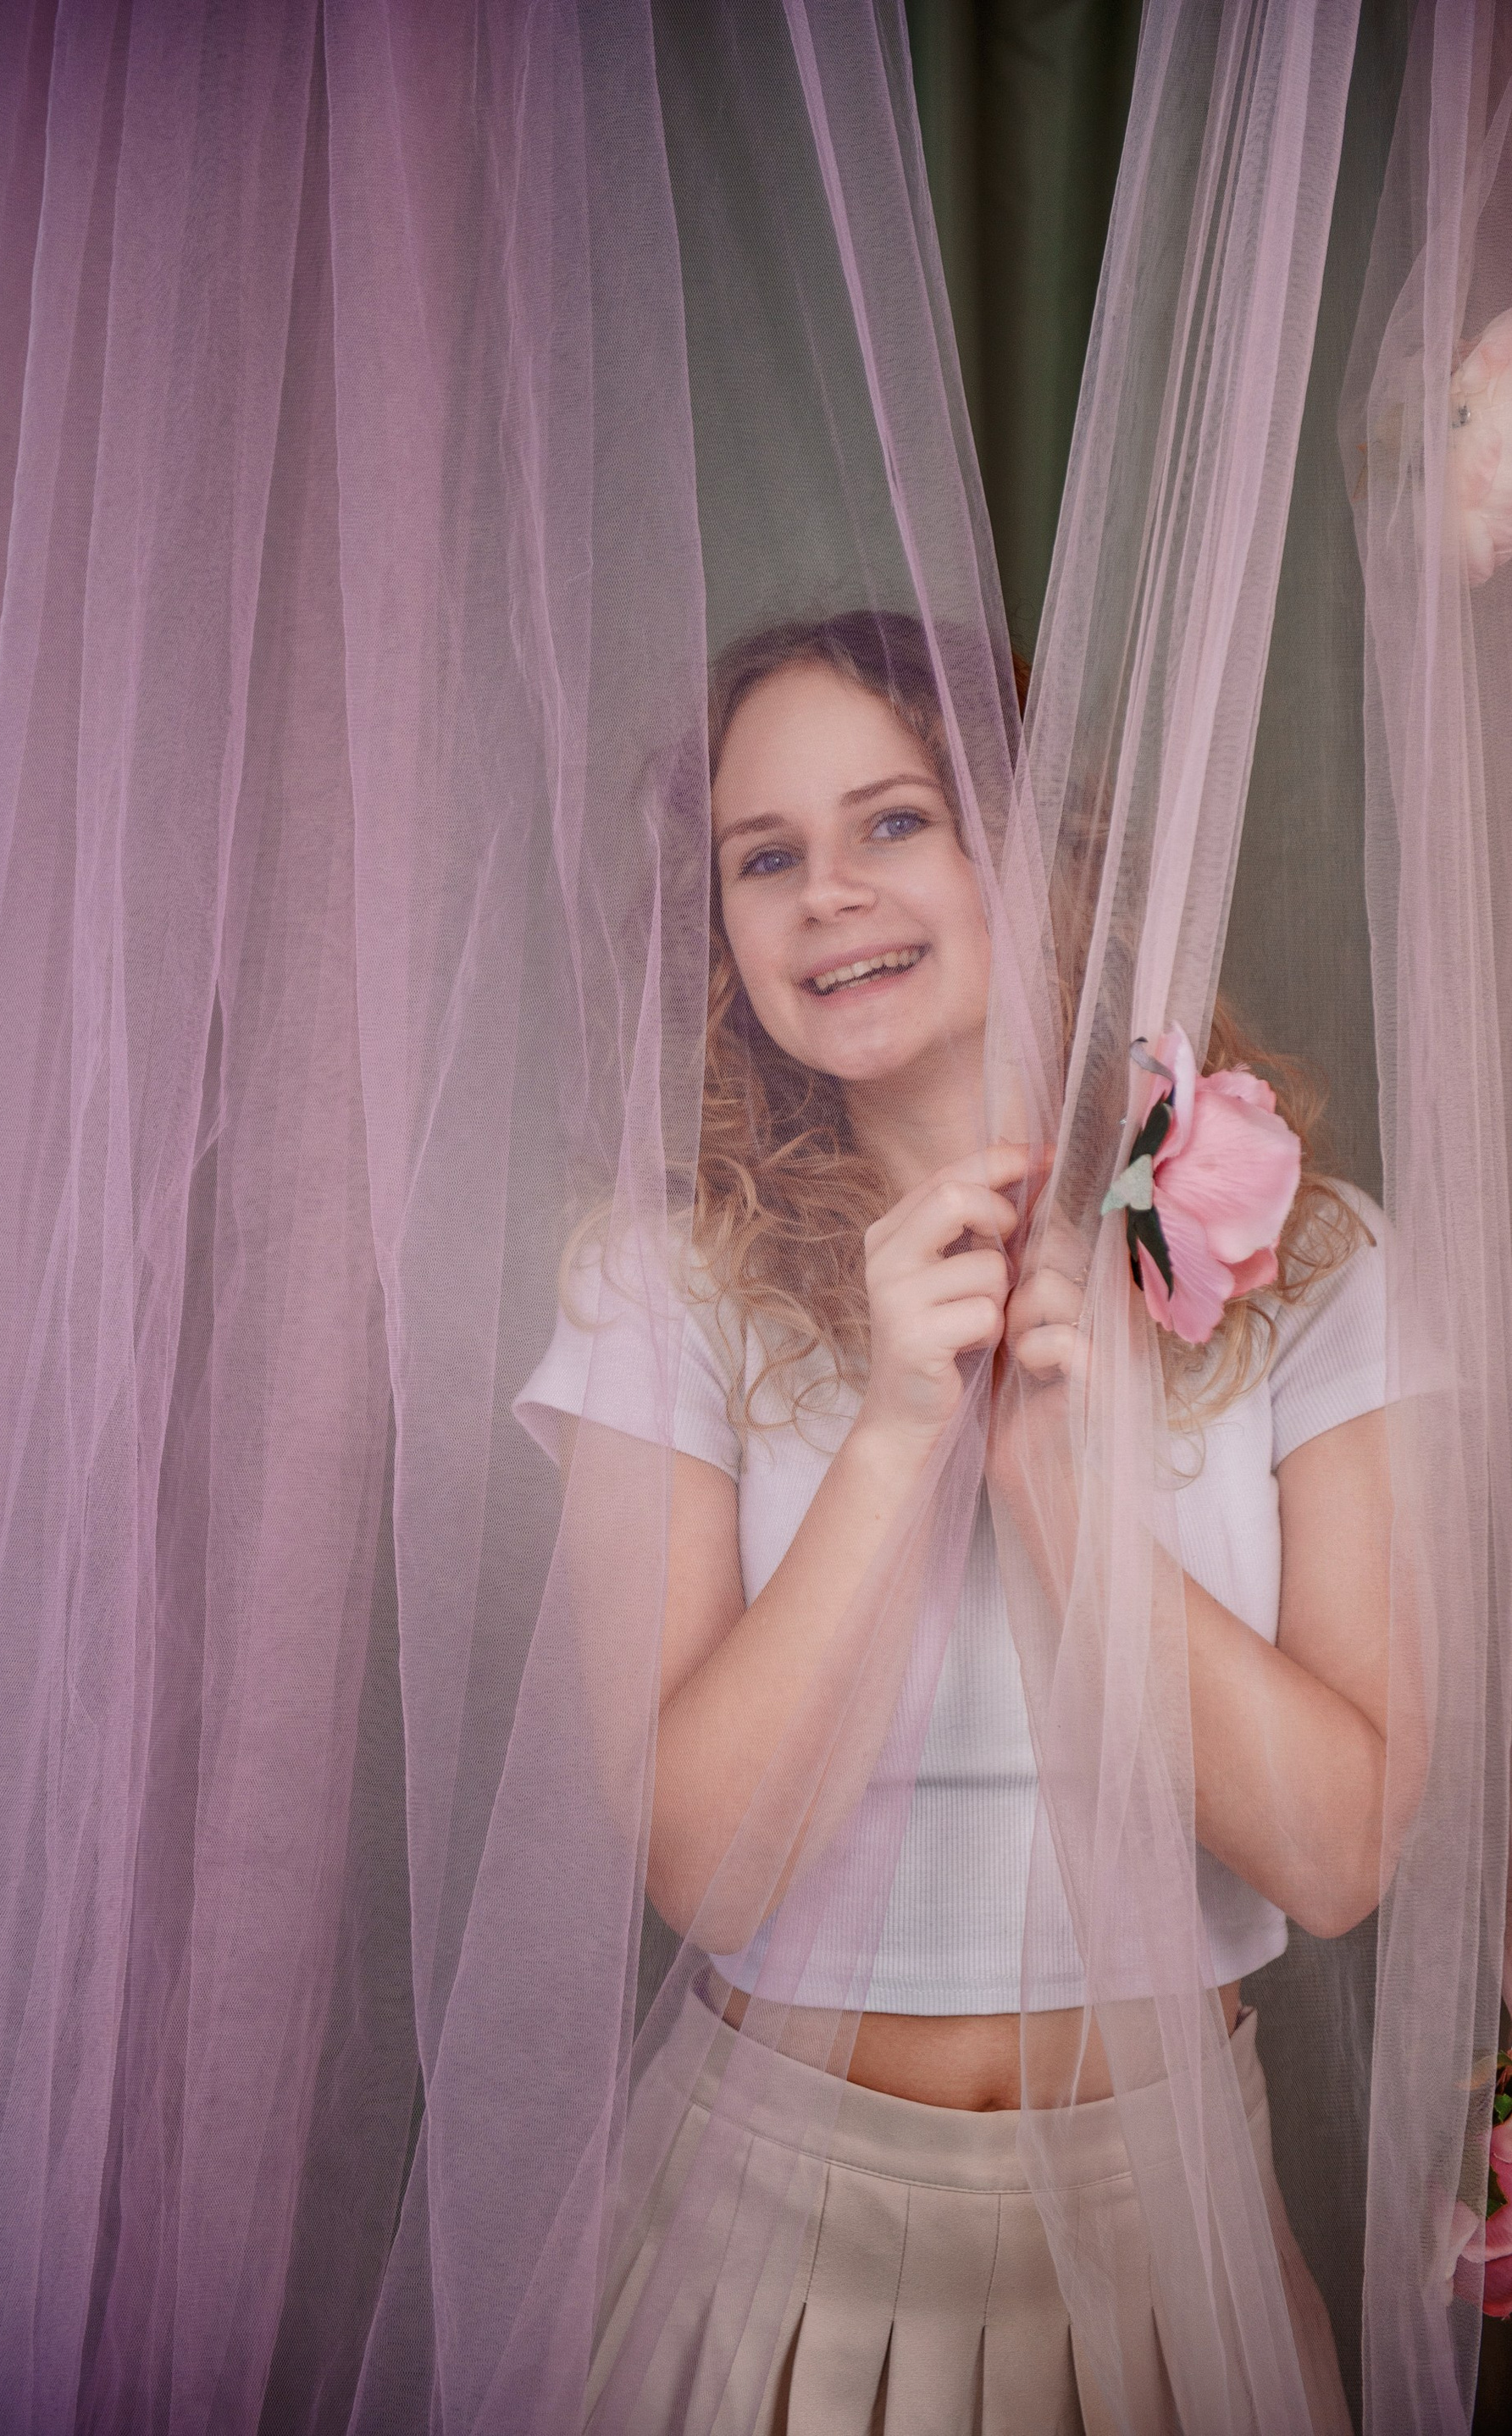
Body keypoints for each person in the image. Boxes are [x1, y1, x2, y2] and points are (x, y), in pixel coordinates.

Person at [517, 611, 1390, 2433]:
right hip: (768, 2244)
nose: (828, 891)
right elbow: (710, 1873)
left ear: (1040, 854)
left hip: (1179, 2260)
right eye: (765, 857)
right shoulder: (662, 1289)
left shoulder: (1311, 1263)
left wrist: (1055, 1490)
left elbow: (1333, 1860)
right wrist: (904, 1430)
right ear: (721, 930)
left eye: (895, 820)